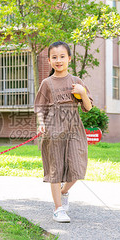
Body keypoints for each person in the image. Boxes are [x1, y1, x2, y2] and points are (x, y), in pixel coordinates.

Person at [35, 41, 93, 223]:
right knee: (55, 169)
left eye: (62, 57)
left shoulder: (77, 82)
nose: (58, 60)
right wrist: (41, 123)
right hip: (53, 128)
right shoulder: (46, 83)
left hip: (75, 128)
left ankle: (63, 192)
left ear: (69, 58)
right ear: (50, 61)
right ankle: (58, 208)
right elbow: (39, 108)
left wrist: (82, 93)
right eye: (54, 57)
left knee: (78, 167)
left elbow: (88, 107)